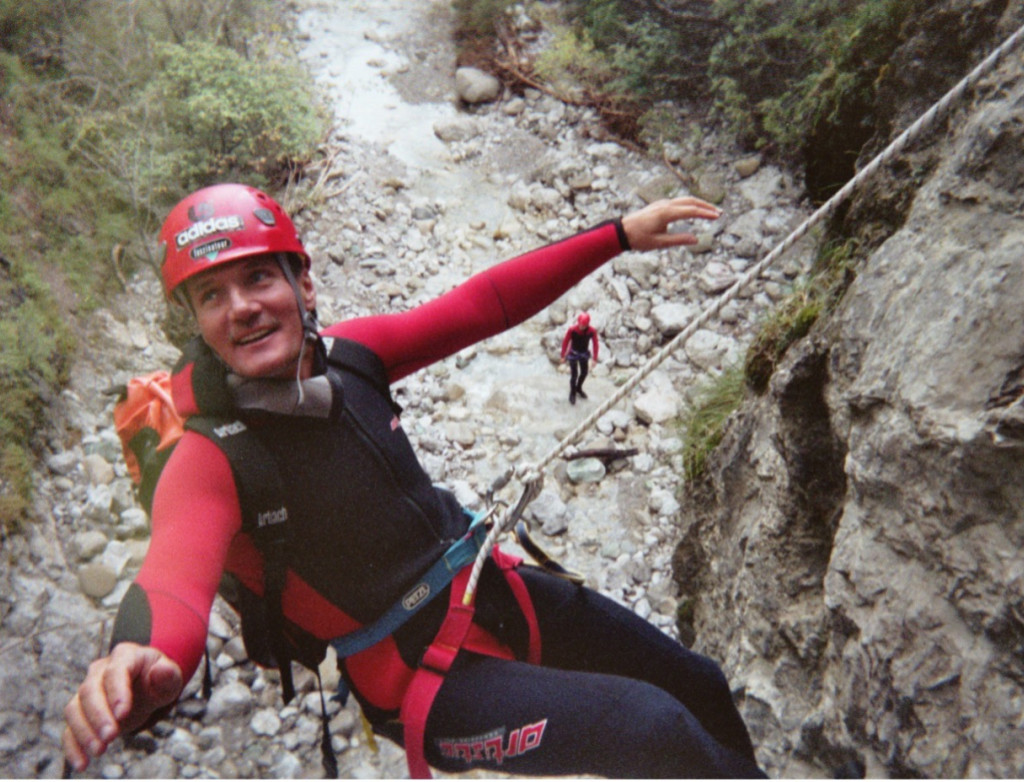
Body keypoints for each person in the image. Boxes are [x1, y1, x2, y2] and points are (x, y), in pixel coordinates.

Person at [62, 183, 764, 779]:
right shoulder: (208, 460)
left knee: (695, 682)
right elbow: (172, 581)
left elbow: (481, 305)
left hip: (489, 590)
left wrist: (616, 235)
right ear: (196, 325)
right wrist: (139, 656)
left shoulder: (353, 357)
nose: (240, 306)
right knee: (648, 726)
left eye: (258, 278)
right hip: (417, 677)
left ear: (303, 284)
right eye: (211, 295)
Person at [560, 311, 599, 404]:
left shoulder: (591, 331)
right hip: (573, 353)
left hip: (584, 353)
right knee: (574, 375)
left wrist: (595, 358)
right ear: (578, 322)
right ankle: (572, 392)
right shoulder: (572, 330)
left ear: (587, 324)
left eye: (584, 325)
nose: (582, 327)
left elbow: (595, 344)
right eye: (581, 324)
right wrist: (563, 355)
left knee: (584, 373)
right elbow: (565, 342)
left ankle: (578, 388)